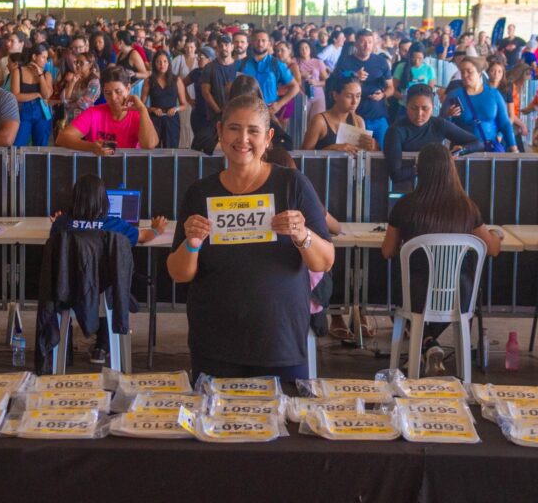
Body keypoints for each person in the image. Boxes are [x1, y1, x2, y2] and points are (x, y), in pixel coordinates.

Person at [167, 95, 334, 381]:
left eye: (253, 131)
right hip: (215, 342)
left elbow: (325, 261)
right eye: (234, 128)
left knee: (286, 411)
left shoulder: (292, 185)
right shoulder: (200, 193)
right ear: (220, 132)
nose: (243, 139)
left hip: (280, 341)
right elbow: (178, 273)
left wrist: (302, 234)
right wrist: (191, 243)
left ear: (268, 138)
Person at [380, 143, 502, 374]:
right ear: (451, 169)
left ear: (420, 171)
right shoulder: (467, 208)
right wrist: (496, 235)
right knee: (449, 298)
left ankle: (425, 344)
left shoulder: (404, 206)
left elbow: (387, 251)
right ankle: (428, 344)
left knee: (399, 296)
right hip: (459, 294)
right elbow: (493, 249)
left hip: (415, 293)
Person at [52, 174, 168, 364]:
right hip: (105, 295)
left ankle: (65, 352)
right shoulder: (115, 225)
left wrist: (63, 220)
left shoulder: (61, 224)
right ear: (103, 200)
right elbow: (144, 236)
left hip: (69, 291)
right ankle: (102, 346)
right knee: (110, 282)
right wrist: (156, 229)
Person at [383, 84, 478, 183]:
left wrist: (458, 151)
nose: (419, 114)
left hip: (436, 183)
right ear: (407, 107)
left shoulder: (439, 124)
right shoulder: (395, 131)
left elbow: (477, 143)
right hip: (408, 186)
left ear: (433, 107)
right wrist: (435, 164)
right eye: (414, 108)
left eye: (425, 108)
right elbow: (396, 174)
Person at [56, 66, 158, 153]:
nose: (113, 98)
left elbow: (149, 144)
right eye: (108, 93)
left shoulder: (138, 115)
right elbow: (62, 138)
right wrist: (91, 147)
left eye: (118, 92)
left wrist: (143, 109)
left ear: (128, 89)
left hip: (128, 168)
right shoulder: (93, 113)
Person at [332, 30, 394, 148]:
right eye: (363, 42)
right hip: (353, 116)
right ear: (356, 44)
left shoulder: (381, 62)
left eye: (370, 42)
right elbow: (336, 82)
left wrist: (383, 95)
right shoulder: (345, 61)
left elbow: (391, 87)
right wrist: (354, 75)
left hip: (378, 115)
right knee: (354, 152)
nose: (367, 46)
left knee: (383, 151)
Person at [443, 57, 517, 153]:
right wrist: (448, 115)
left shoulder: (493, 94)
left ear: (479, 73)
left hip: (490, 150)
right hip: (461, 151)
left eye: (469, 71)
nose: (465, 75)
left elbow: (505, 124)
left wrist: (513, 148)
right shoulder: (454, 95)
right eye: (462, 72)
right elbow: (441, 124)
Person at [300, 72, 377, 154]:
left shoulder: (359, 121)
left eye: (358, 96)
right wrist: (330, 149)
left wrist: (373, 147)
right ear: (335, 96)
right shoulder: (319, 121)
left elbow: (361, 156)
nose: (355, 102)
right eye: (349, 96)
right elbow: (303, 155)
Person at [237, 29, 299, 121]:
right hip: (246, 111)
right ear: (251, 42)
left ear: (269, 43)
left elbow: (295, 87)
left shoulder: (277, 64)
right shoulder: (241, 64)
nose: (260, 43)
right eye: (257, 40)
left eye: (263, 40)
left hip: (270, 112)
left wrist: (279, 104)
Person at [10, 43, 54, 147]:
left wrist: (40, 74)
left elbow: (46, 95)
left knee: (41, 146)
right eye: (43, 57)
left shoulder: (47, 74)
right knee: (18, 144)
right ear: (34, 56)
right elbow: (15, 96)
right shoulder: (18, 71)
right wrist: (36, 94)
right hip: (22, 112)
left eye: (47, 58)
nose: (46, 61)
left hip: (43, 112)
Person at [143, 50, 186, 149]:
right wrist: (153, 109)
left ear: (169, 63)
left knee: (171, 150)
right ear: (154, 64)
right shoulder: (149, 81)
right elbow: (142, 105)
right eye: (158, 62)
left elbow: (184, 104)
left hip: (171, 119)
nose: (162, 65)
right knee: (153, 149)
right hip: (154, 119)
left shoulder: (177, 80)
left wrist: (175, 109)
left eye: (165, 61)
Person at [62, 51, 100, 123]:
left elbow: (84, 104)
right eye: (77, 62)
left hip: (84, 119)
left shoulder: (94, 82)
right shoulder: (76, 78)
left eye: (81, 63)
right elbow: (66, 98)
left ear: (90, 65)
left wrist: (68, 104)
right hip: (70, 118)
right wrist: (72, 82)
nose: (78, 65)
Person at [295, 40, 329, 116]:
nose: (304, 50)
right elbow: (290, 78)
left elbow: (327, 81)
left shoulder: (318, 62)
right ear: (298, 50)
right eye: (301, 48)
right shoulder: (295, 62)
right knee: (303, 121)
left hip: (318, 95)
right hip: (302, 95)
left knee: (316, 120)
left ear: (310, 48)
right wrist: (300, 75)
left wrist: (316, 83)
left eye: (306, 47)